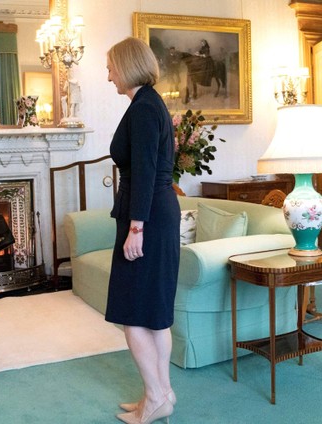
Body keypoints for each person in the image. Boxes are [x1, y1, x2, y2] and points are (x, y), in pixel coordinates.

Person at [105, 37, 180, 424]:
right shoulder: (148, 103)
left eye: (111, 67)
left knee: (134, 313)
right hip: (153, 214)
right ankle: (160, 393)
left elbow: (147, 170)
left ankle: (155, 397)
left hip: (147, 217)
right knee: (152, 312)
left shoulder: (144, 107)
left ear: (127, 65)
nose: (108, 75)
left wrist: (137, 227)